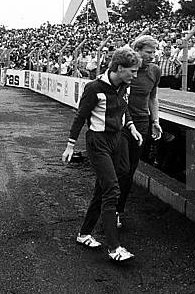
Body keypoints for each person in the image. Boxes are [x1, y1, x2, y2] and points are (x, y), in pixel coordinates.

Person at [62, 47, 144, 263]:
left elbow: (124, 107)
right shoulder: (93, 88)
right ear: (119, 68)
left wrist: (132, 126)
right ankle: (114, 247)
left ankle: (84, 234)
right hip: (98, 142)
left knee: (107, 186)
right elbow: (80, 117)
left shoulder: (124, 86)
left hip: (118, 139)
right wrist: (70, 145)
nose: (135, 76)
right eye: (132, 71)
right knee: (111, 190)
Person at [116, 36, 162, 229]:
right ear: (137, 50)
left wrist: (155, 121)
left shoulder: (155, 71)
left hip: (142, 124)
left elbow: (153, 98)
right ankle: (107, 206)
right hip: (121, 123)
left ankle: (119, 209)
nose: (152, 56)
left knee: (130, 170)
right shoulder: (126, 66)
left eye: (154, 52)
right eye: (148, 52)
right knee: (120, 168)